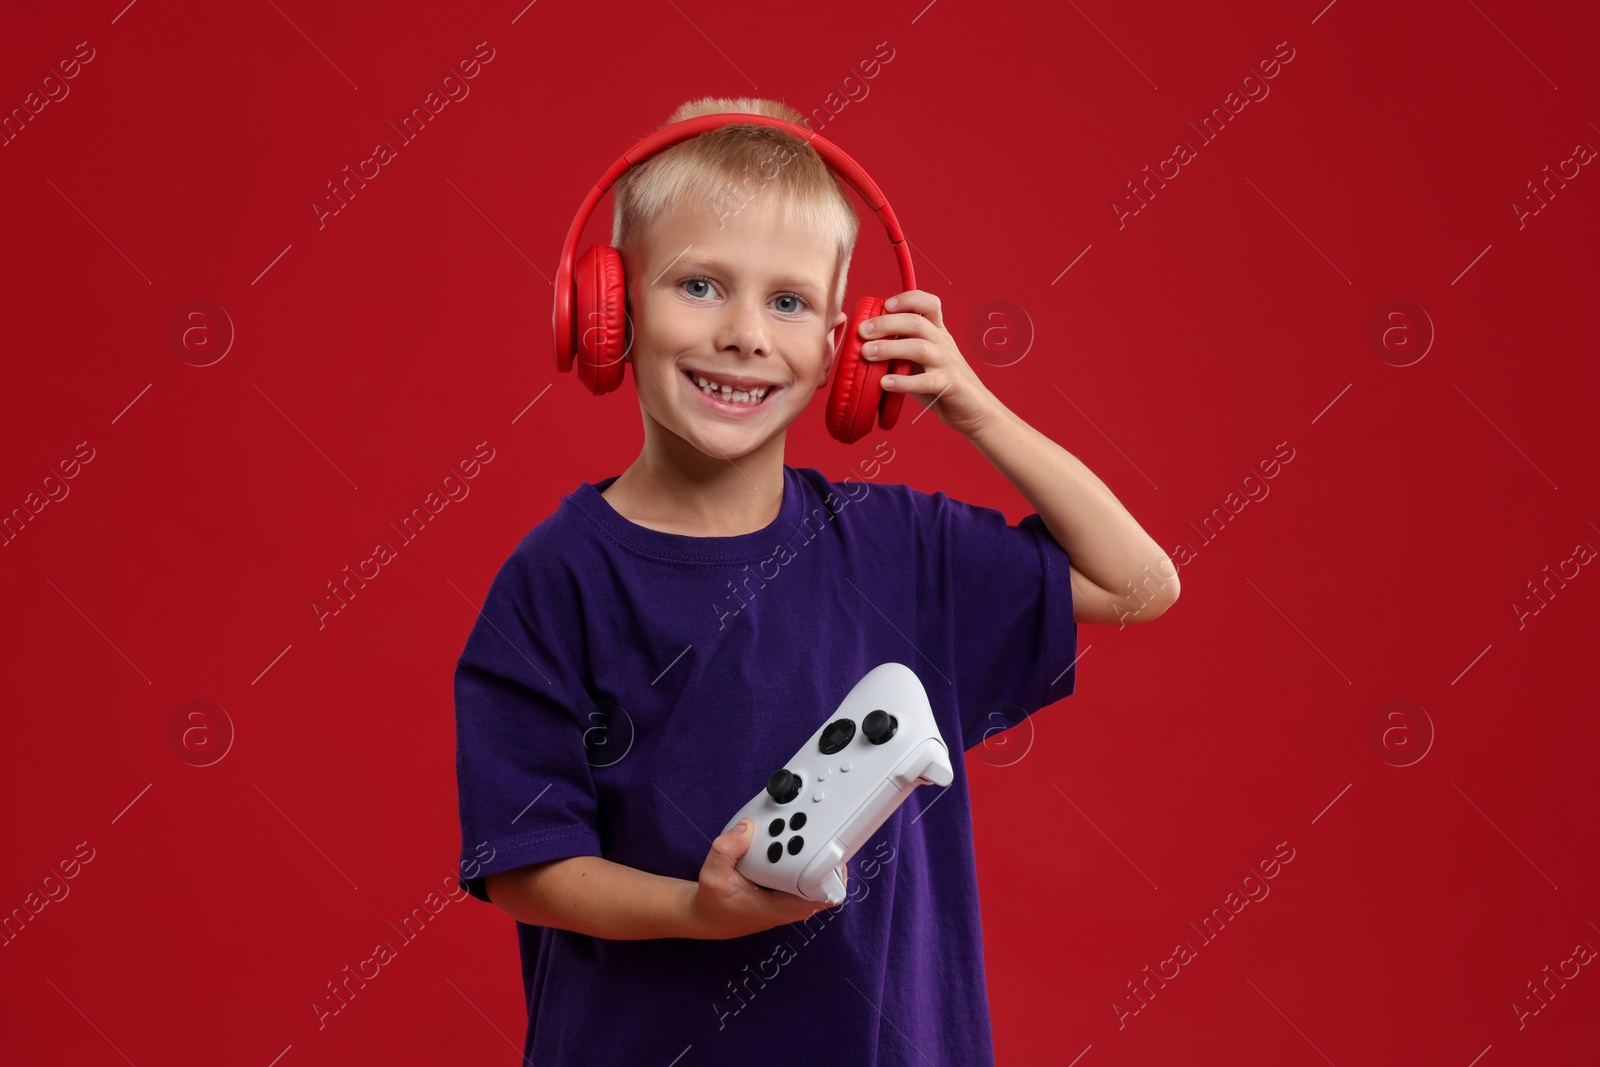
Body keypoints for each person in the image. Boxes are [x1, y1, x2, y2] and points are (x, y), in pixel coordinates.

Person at [452, 95, 1178, 1065]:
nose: (747, 334)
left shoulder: (903, 548)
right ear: (608, 310)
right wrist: (698, 911)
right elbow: (526, 863)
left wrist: (973, 405)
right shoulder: (558, 576)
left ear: (847, 347)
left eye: (788, 302)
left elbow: (1139, 583)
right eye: (700, 285)